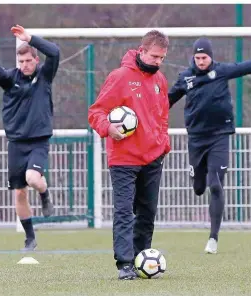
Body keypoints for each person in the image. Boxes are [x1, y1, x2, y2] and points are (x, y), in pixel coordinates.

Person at [168, 37, 251, 254]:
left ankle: (213, 238)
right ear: (193, 58)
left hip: (220, 135)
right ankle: (196, 176)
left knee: (215, 184)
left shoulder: (222, 71)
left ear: (211, 57)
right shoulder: (186, 78)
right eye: (198, 57)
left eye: (204, 57)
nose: (201, 61)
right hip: (196, 138)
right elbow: (167, 101)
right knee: (199, 188)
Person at [88, 30, 170, 280]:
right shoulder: (120, 77)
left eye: (162, 58)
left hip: (153, 157)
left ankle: (142, 258)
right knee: (124, 211)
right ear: (142, 51)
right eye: (155, 56)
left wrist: (163, 143)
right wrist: (107, 128)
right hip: (124, 158)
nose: (158, 61)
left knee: (147, 212)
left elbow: (163, 117)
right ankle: (124, 264)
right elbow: (96, 112)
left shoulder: (160, 81)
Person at [0, 24, 60, 251]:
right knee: (19, 192)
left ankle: (45, 195)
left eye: (29, 61)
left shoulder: (45, 76)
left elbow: (54, 51)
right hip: (16, 143)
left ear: (36, 60)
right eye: (21, 62)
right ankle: (30, 238)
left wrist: (30, 38)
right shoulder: (11, 79)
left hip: (38, 140)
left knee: (33, 179)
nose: (25, 65)